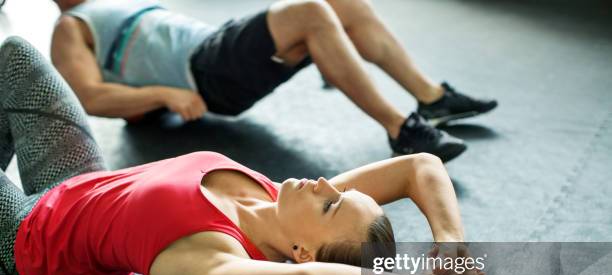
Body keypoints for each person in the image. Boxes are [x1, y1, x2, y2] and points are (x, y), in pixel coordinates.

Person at [0, 37, 484, 275]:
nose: (326, 183)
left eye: (332, 202)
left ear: (303, 253)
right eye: (339, 189)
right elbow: (419, 166)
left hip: (33, 246)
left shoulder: (215, 263)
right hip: (70, 184)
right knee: (16, 57)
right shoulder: (281, 199)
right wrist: (451, 245)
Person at [49, 0, 498, 162]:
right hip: (206, 70)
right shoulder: (71, 25)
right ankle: (402, 129)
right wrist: (164, 94)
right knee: (312, 11)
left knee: (341, 5)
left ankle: (432, 98)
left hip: (218, 46)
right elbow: (89, 96)